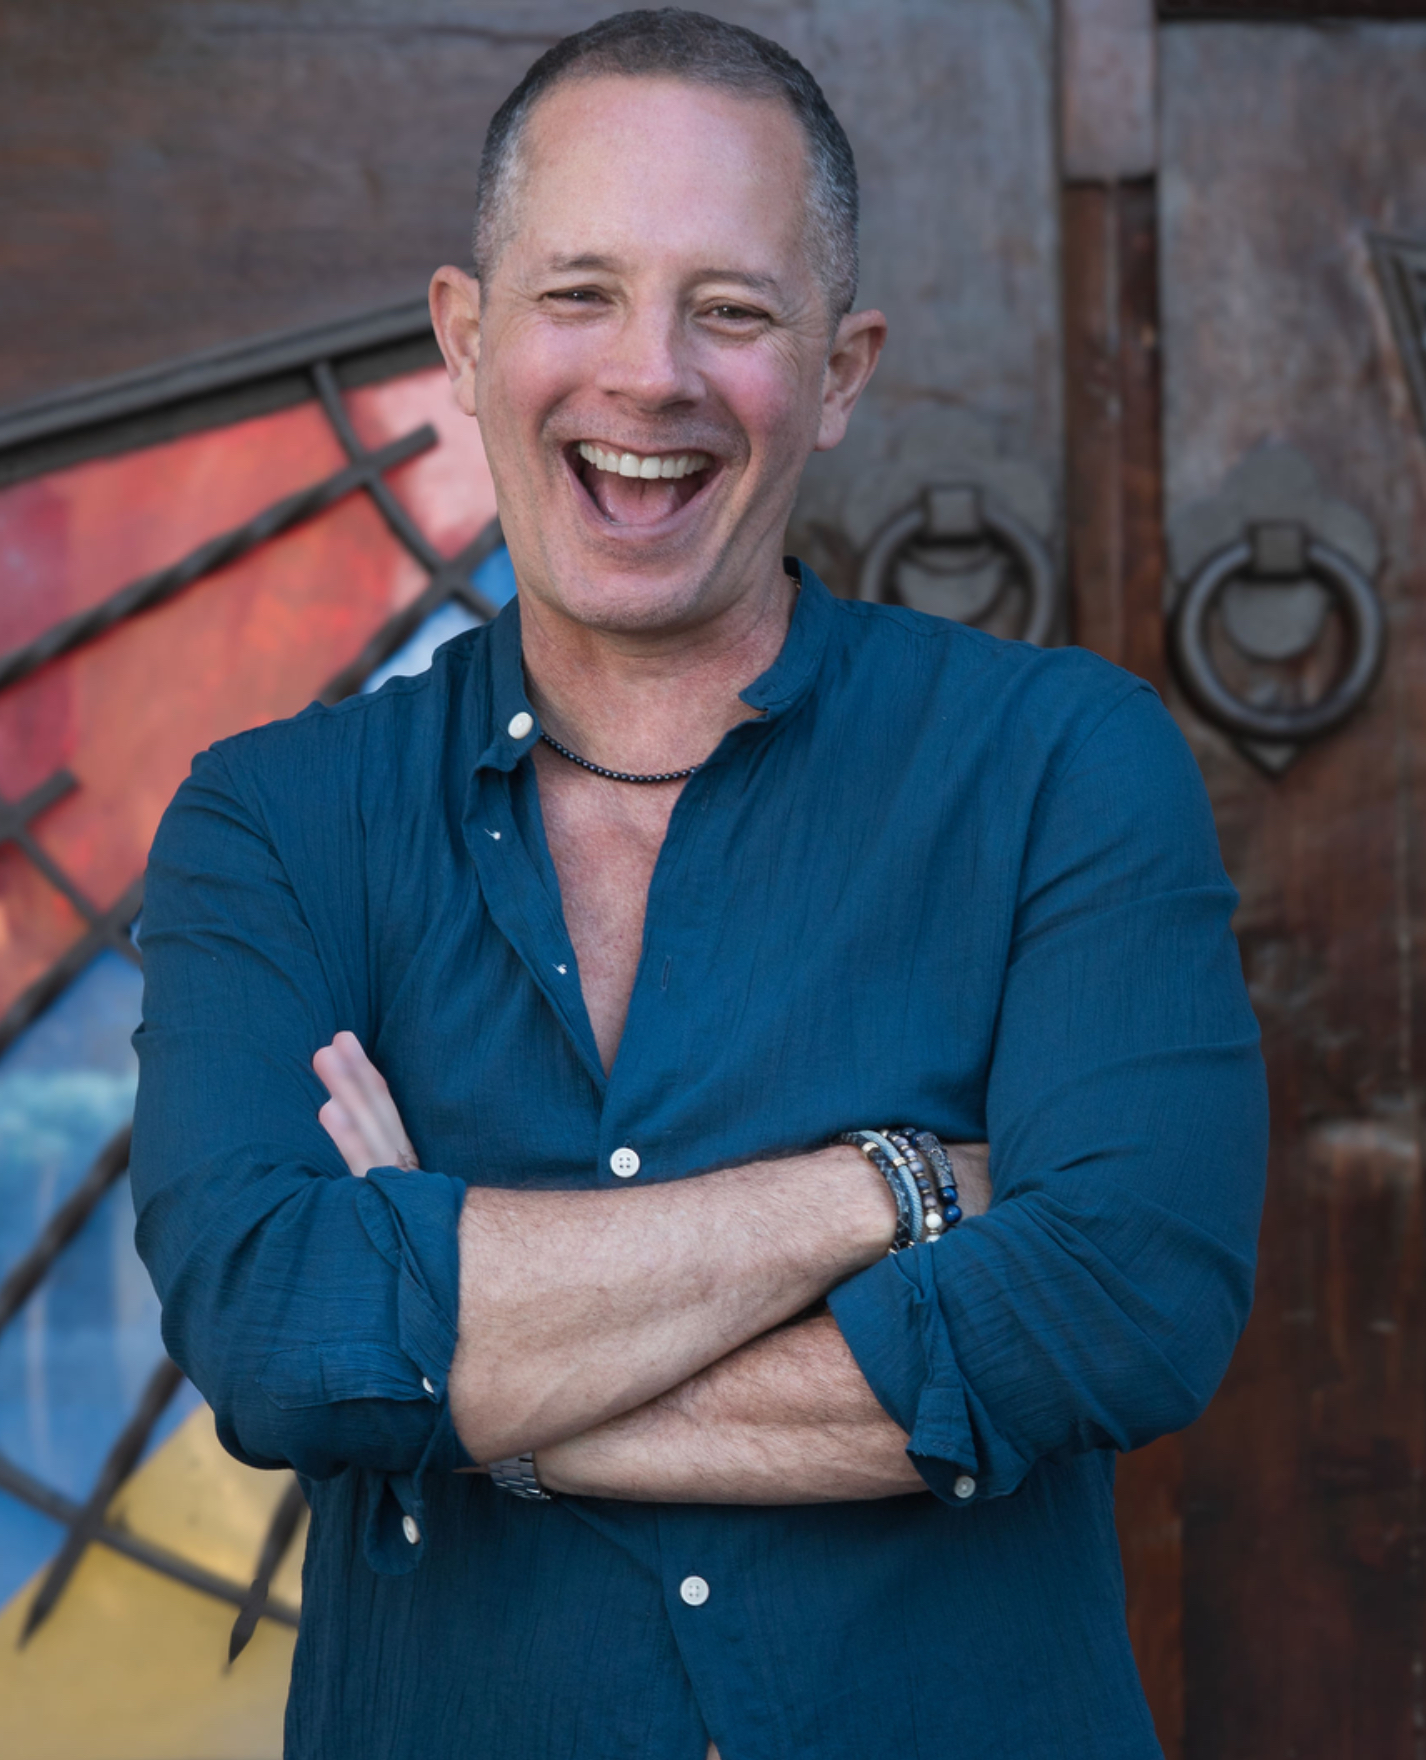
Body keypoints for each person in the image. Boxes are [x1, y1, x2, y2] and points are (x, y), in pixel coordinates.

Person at [129, 10, 1266, 1757]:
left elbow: (1118, 1312)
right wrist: (886, 1193)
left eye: (728, 310)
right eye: (578, 292)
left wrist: (454, 1363)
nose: (647, 374)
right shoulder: (277, 826)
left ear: (840, 369)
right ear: (466, 333)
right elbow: (281, 1334)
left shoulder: (1060, 768)